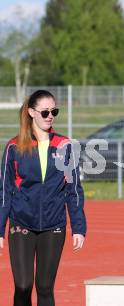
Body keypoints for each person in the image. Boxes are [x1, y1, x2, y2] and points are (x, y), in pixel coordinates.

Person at [0, 90, 87, 306]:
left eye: (54, 111)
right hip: (21, 225)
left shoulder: (64, 146)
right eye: (45, 111)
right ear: (31, 112)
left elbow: (73, 189)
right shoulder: (14, 147)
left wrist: (79, 227)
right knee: (23, 285)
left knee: (45, 287)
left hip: (53, 226)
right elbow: (4, 190)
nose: (50, 116)